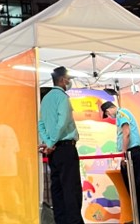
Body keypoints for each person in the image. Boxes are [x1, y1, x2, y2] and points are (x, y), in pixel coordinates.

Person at [37, 66, 82, 224]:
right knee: (71, 190)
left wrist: (49, 143)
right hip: (66, 149)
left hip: (53, 152)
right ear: (62, 80)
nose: (69, 82)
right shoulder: (62, 98)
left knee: (57, 190)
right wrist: (53, 141)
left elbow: (40, 124)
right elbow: (63, 122)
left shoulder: (46, 99)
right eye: (68, 79)